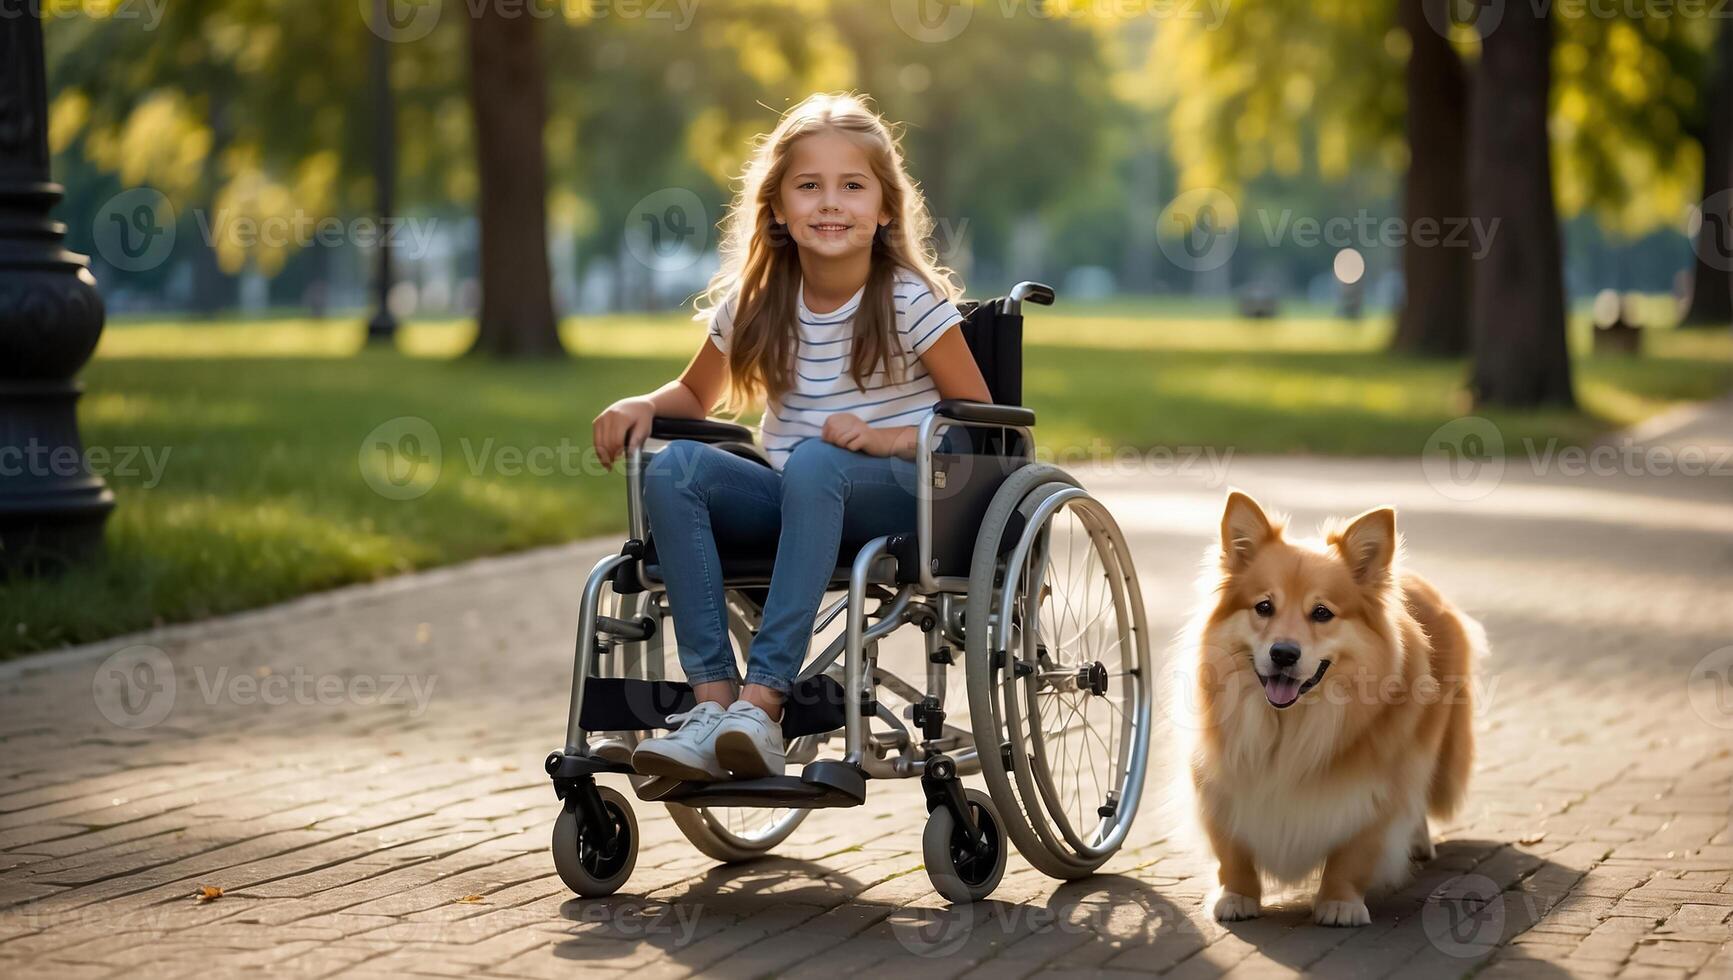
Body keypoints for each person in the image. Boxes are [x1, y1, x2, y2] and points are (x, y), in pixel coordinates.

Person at [590, 91, 992, 781]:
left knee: (814, 463)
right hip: (798, 490)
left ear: (885, 207)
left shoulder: (905, 300)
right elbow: (695, 394)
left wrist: (884, 437)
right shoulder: (756, 300)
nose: (829, 203)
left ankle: (764, 703)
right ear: (777, 207)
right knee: (676, 468)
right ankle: (714, 708)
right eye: (808, 186)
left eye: (851, 186)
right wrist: (643, 403)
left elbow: (976, 416)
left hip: (903, 494)